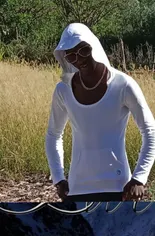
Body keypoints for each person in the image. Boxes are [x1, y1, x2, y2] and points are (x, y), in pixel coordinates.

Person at [45, 23, 155, 201]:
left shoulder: (123, 85)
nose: (79, 59)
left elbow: (150, 130)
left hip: (119, 187)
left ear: (93, 46)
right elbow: (53, 135)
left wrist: (139, 178)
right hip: (77, 189)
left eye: (83, 50)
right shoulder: (63, 90)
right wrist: (58, 178)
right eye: (71, 55)